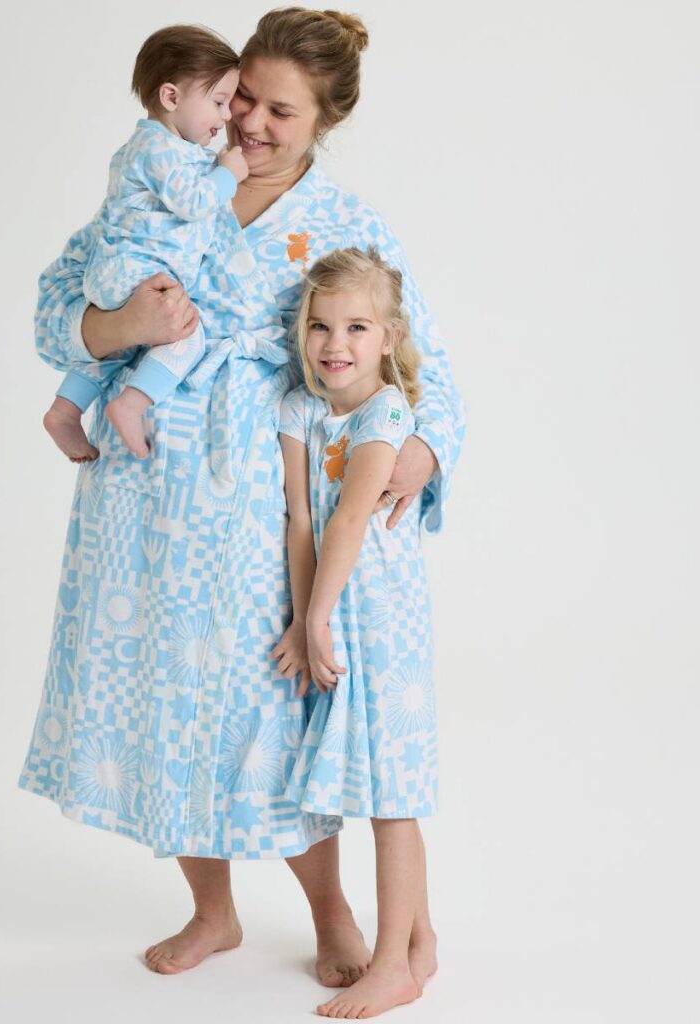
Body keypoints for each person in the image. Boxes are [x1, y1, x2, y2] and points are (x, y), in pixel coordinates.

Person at [18, 7, 465, 1002]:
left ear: (321, 123)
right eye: (243, 99)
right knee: (163, 700)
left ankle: (331, 910)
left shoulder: (348, 226)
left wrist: (420, 452)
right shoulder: (165, 178)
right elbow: (56, 299)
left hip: (268, 495)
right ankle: (212, 911)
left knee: (265, 703)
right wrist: (116, 323)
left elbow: (420, 363)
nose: (251, 124)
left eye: (279, 110)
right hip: (143, 489)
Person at [276, 246, 436, 1017]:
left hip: (381, 620)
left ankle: (393, 965)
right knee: (368, 780)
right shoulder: (300, 410)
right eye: (319, 325)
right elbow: (302, 519)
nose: (334, 343)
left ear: (387, 335)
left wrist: (317, 619)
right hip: (332, 618)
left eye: (356, 327)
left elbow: (349, 515)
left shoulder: (387, 412)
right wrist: (305, 619)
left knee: (389, 790)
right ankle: (421, 940)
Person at [43, 25, 250, 465]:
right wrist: (228, 173)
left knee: (120, 350)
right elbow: (193, 201)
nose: (228, 116)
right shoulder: (156, 148)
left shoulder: (164, 149)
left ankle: (66, 409)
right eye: (217, 102)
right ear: (171, 97)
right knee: (187, 336)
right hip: (133, 270)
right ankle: (131, 405)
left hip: (118, 272)